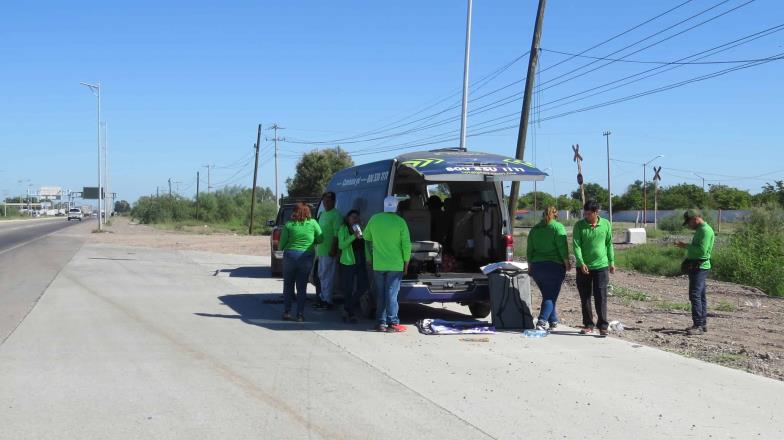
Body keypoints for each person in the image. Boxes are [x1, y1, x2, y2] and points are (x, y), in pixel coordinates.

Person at [364, 196, 411, 333]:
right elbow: (406, 245)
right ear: (396, 207)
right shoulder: (400, 222)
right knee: (391, 293)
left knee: (381, 294)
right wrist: (406, 263)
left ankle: (381, 323)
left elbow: (366, 237)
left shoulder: (374, 219)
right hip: (395, 265)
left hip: (378, 264)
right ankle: (393, 322)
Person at [572, 201, 615, 336]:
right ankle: (588, 324)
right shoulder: (579, 225)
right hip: (583, 267)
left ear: (597, 212)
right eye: (584, 213)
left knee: (601, 296)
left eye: (589, 213)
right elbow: (576, 245)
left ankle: (602, 325)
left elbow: (609, 244)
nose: (586, 216)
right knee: (585, 296)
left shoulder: (606, 224)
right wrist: (581, 262)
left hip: (601, 266)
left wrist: (611, 261)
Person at [527, 206, 571, 331]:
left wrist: (530, 266)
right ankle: (541, 321)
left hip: (537, 268)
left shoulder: (535, 229)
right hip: (554, 267)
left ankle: (553, 321)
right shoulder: (558, 227)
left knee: (548, 294)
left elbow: (529, 250)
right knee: (550, 296)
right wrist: (567, 263)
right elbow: (562, 248)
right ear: (556, 215)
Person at [278, 202, 322, 322]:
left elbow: (281, 245)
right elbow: (321, 238)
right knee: (302, 287)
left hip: (290, 256)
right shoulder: (313, 223)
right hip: (306, 257)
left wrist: (288, 245)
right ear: (308, 212)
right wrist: (312, 242)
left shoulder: (289, 225)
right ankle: (300, 314)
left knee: (288, 285)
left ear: (295, 212)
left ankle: (287, 312)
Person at [676, 209, 715, 336]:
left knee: (695, 295)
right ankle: (701, 324)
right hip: (698, 266)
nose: (689, 225)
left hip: (700, 267)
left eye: (689, 222)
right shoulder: (701, 230)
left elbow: (702, 251)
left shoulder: (705, 230)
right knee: (700, 295)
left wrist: (685, 246)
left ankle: (698, 325)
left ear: (696, 219)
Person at [337, 209, 368, 324]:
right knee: (348, 289)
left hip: (361, 260)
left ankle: (347, 307)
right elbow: (341, 245)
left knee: (364, 286)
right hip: (348, 261)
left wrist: (362, 232)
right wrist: (353, 236)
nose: (355, 218)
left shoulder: (360, 228)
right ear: (347, 219)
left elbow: (366, 243)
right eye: (352, 217)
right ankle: (351, 313)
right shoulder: (343, 229)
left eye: (357, 217)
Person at [315, 192, 342, 310]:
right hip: (320, 250)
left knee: (327, 277)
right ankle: (323, 297)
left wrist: (333, 248)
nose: (326, 203)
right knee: (321, 275)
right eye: (324, 201)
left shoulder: (336, 215)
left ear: (334, 201)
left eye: (328, 201)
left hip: (329, 251)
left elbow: (337, 234)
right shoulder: (323, 214)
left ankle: (328, 301)